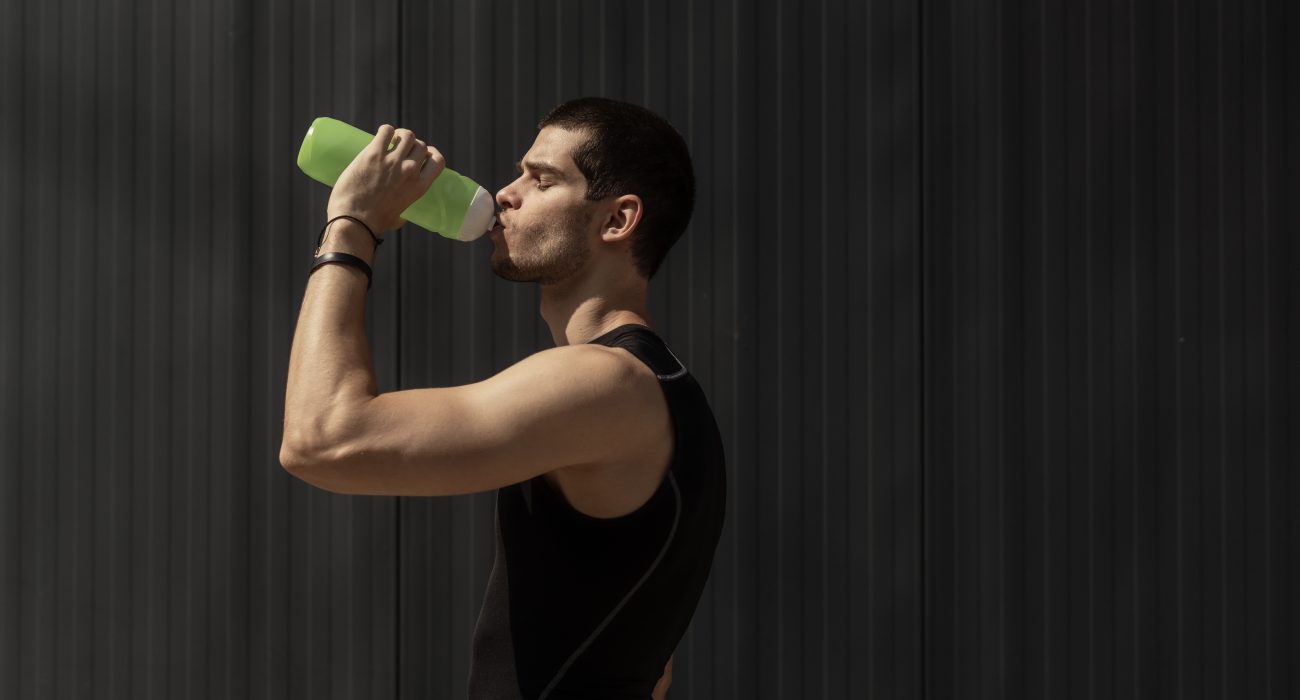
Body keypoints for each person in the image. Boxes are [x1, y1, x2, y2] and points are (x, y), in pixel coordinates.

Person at [280, 97, 727, 699]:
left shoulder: (603, 384)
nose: (506, 194)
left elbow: (322, 440)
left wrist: (351, 226)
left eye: (541, 180)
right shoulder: (664, 392)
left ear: (618, 220)